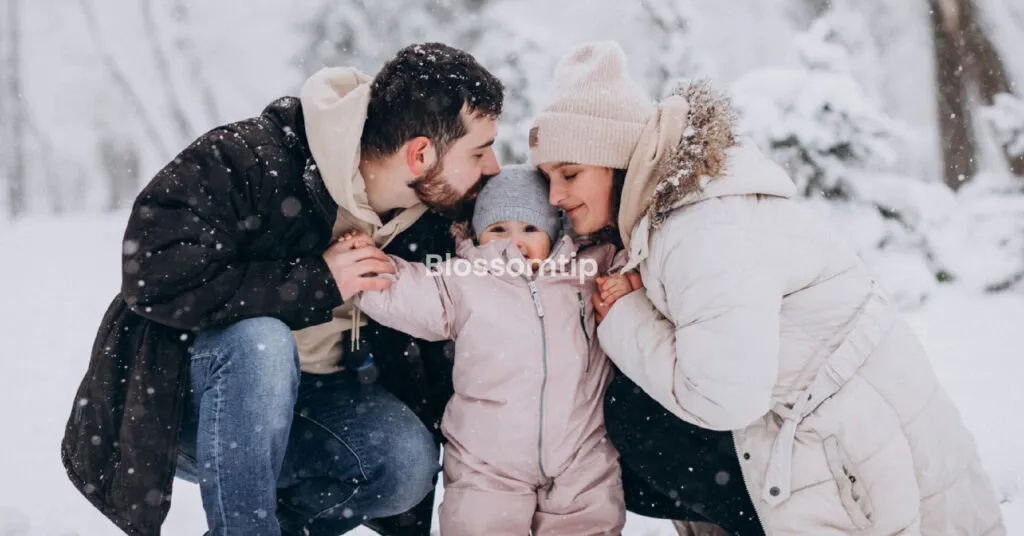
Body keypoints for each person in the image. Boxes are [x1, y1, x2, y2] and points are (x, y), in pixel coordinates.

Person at [530, 41, 1006, 535]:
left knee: (631, 420)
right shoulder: (678, 215)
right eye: (547, 178)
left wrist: (628, 315)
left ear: (620, 163)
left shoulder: (702, 227)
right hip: (847, 445)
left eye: (571, 173)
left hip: (862, 465)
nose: (557, 196)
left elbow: (723, 398)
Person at [60, 42, 503, 536]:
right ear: (420, 154)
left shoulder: (440, 218)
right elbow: (152, 274)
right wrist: (316, 281)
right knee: (261, 342)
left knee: (405, 465)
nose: (494, 169)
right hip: (190, 410)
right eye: (480, 151)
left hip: (320, 404)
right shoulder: (249, 160)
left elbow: (530, 242)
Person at [348, 165, 629, 535]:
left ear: (555, 229)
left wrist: (627, 283)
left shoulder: (588, 270)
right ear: (479, 235)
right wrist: (365, 266)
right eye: (499, 230)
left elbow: (636, 262)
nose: (515, 242)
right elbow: (409, 291)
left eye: (530, 228)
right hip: (487, 462)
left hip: (581, 453)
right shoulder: (464, 280)